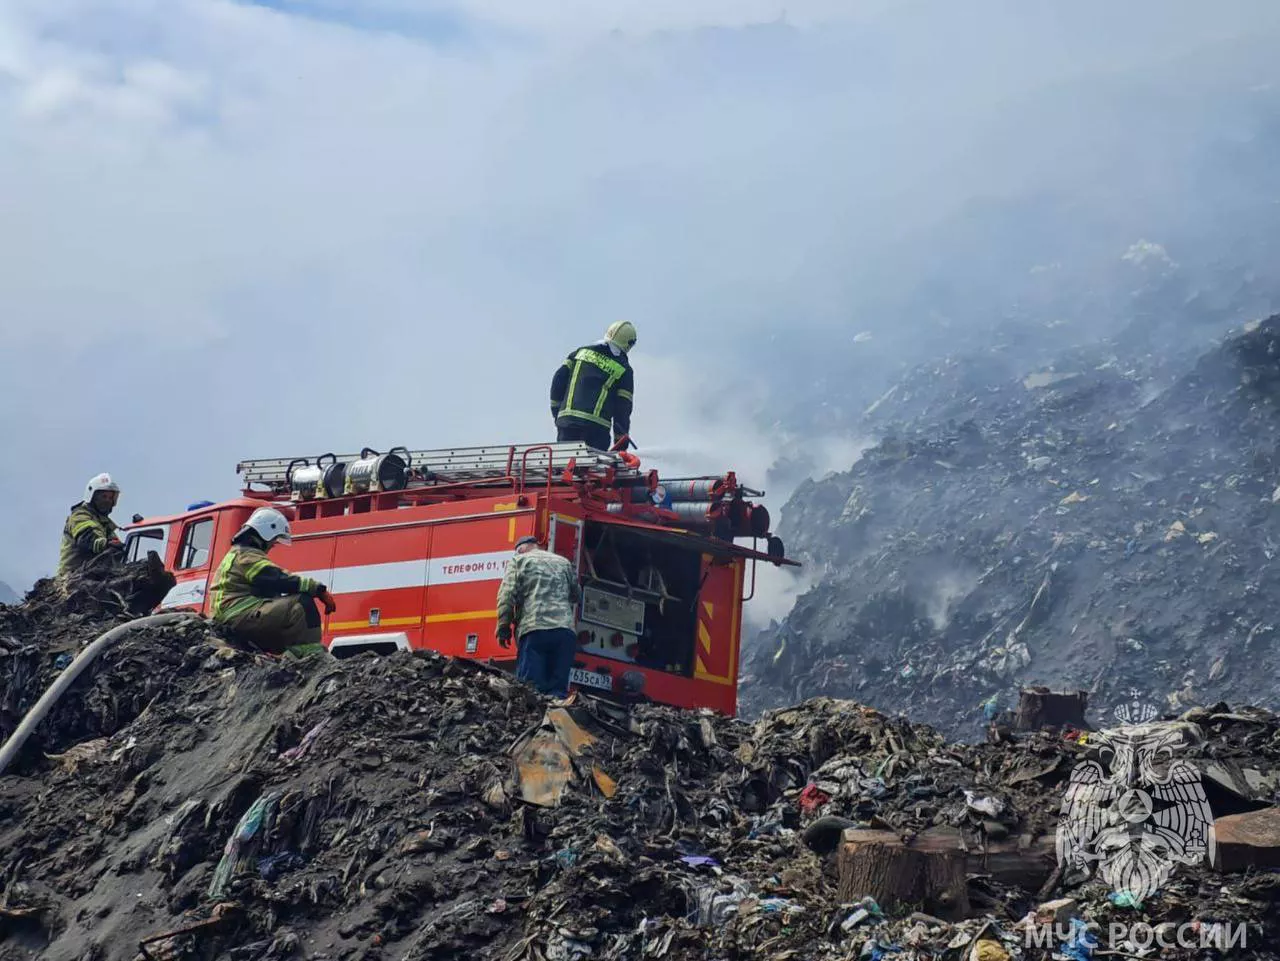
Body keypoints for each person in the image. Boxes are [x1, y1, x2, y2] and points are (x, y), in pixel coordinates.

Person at [209, 507, 336, 655]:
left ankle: (289, 655)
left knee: (282, 607)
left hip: (234, 615)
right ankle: (310, 655)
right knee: (301, 603)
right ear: (266, 532)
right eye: (274, 539)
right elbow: (277, 578)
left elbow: (274, 578)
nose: (273, 545)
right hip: (236, 615)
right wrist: (318, 589)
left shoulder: (241, 553)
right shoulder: (246, 556)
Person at [495, 535, 581, 698]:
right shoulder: (563, 562)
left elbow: (506, 597)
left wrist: (503, 628)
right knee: (558, 693)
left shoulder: (519, 561)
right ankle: (555, 721)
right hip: (564, 632)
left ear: (520, 549)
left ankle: (531, 721)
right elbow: (576, 595)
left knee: (529, 690)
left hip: (534, 630)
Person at [549, 320, 636, 451]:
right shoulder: (624, 369)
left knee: (566, 464)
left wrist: (557, 414)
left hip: (567, 425)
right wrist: (621, 446)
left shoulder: (579, 353)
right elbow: (622, 410)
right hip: (596, 431)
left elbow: (558, 381)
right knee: (592, 469)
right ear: (629, 344)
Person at [58, 473, 124, 577]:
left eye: (110, 497)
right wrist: (105, 544)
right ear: (92, 497)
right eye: (104, 496)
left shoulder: (104, 523)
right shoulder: (80, 516)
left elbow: (117, 547)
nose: (107, 500)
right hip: (72, 577)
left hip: (95, 575)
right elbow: (88, 538)